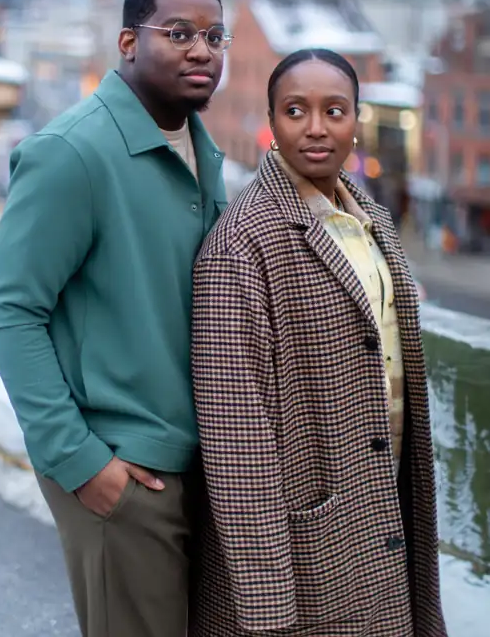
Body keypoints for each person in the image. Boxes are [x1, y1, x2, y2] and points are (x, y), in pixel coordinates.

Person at [0, 0, 231, 637]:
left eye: (214, 36)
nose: (201, 50)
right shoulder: (72, 153)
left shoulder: (201, 152)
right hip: (122, 471)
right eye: (179, 33)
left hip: (197, 463)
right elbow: (11, 311)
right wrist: (80, 461)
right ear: (128, 43)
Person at [190, 49, 447, 636]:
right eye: (295, 110)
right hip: (305, 543)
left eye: (334, 111)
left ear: (356, 119)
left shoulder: (372, 220)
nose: (315, 128)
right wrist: (266, 607)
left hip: (384, 504)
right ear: (272, 121)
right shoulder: (242, 244)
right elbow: (236, 438)